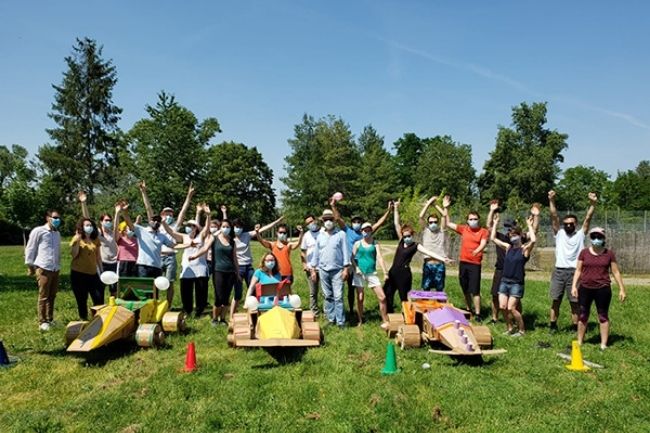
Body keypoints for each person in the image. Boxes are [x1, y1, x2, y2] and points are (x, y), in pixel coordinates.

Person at [384, 201, 452, 313]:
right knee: (388, 293)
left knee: (404, 297)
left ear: (412, 235)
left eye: (409, 236)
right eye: (405, 236)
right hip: (393, 272)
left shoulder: (416, 245)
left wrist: (443, 259)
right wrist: (396, 208)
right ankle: (389, 314)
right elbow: (396, 224)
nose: (406, 237)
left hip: (404, 274)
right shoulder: (401, 242)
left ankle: (406, 315)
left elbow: (429, 252)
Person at [331, 199, 391, 320]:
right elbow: (338, 219)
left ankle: (359, 313)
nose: (357, 223)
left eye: (359, 221)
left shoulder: (366, 232)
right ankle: (352, 310)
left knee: (360, 292)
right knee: (350, 289)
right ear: (352, 223)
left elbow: (379, 223)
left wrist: (388, 211)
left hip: (366, 266)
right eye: (355, 221)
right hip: (351, 264)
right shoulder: (348, 230)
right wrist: (333, 206)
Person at [548, 190, 597, 333]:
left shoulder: (581, 234)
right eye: (566, 223)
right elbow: (554, 215)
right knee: (555, 300)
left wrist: (592, 203)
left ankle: (575, 328)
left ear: (575, 224)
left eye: (571, 224)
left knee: (575, 302)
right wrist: (551, 200)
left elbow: (588, 218)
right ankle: (552, 326)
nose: (568, 226)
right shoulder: (559, 233)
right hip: (559, 271)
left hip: (575, 273)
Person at [571, 227, 626, 349]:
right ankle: (580, 341)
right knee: (583, 315)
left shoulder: (609, 254)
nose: (596, 239)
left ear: (603, 238)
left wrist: (622, 289)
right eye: (594, 236)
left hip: (603, 289)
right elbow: (578, 270)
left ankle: (603, 344)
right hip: (585, 288)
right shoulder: (584, 253)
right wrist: (574, 285)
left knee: (603, 315)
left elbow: (616, 272)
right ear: (590, 238)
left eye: (599, 237)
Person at [486, 200, 540, 323]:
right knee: (496, 295)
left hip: (516, 272)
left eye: (511, 227)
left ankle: (516, 319)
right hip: (501, 270)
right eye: (506, 227)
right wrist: (492, 211)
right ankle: (495, 318)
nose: (509, 230)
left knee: (515, 298)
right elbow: (489, 227)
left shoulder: (520, 239)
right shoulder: (502, 238)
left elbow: (534, 232)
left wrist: (536, 216)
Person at [146, 183, 194, 304]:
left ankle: (168, 305)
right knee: (155, 282)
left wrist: (189, 196)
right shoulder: (156, 226)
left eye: (170, 214)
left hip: (170, 258)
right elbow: (148, 209)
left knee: (169, 283)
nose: (168, 215)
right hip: (157, 257)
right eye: (166, 213)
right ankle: (154, 303)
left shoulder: (174, 227)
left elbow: (183, 211)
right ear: (161, 215)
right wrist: (144, 193)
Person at [443, 195, 489, 321]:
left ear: (479, 220)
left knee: (475, 290)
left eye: (475, 219)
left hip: (475, 264)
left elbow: (483, 243)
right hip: (464, 262)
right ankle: (468, 309)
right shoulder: (464, 229)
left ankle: (478, 313)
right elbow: (447, 223)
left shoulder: (483, 231)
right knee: (465, 288)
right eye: (471, 219)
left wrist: (477, 250)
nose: (473, 221)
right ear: (467, 221)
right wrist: (446, 208)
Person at [490, 213, 536, 336]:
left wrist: (529, 225)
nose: (512, 236)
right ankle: (510, 327)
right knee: (503, 306)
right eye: (511, 235)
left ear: (520, 236)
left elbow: (534, 240)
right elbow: (493, 238)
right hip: (504, 281)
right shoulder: (508, 247)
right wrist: (495, 224)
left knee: (511, 308)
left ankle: (521, 330)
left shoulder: (524, 250)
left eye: (515, 235)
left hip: (516, 283)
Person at [162, 204, 211, 317]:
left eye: (191, 225)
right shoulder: (184, 237)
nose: (189, 227)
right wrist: (164, 222)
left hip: (200, 269)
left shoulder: (201, 236)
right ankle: (187, 310)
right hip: (187, 269)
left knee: (201, 292)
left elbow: (207, 228)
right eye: (188, 225)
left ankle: (199, 311)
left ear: (196, 227)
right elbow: (171, 232)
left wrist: (208, 215)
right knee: (186, 292)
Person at [190, 218, 239, 325]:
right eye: (223, 227)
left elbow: (235, 258)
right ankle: (214, 319)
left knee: (226, 298)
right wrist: (195, 256)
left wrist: (238, 273)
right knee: (219, 297)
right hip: (218, 271)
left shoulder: (232, 241)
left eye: (228, 227)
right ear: (220, 228)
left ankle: (222, 319)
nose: (225, 229)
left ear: (230, 229)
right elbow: (205, 248)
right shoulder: (214, 238)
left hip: (230, 272)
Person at [123, 181, 176, 280]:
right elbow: (147, 209)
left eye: (157, 221)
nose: (155, 222)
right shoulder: (142, 230)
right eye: (153, 220)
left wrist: (189, 244)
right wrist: (125, 213)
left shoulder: (163, 235)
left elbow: (174, 245)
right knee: (144, 291)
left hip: (157, 266)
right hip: (143, 266)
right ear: (150, 221)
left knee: (155, 292)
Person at [309, 209, 350, 327]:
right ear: (322, 221)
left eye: (330, 219)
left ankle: (341, 321)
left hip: (337, 270)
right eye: (325, 219)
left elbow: (345, 252)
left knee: (338, 296)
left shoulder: (341, 234)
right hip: (323, 270)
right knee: (328, 296)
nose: (328, 222)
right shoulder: (320, 236)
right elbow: (316, 254)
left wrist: (346, 268)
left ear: (334, 221)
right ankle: (331, 319)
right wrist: (313, 269)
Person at [24, 210, 62, 331]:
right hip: (43, 268)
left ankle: (50, 319)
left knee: (52, 295)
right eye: (54, 217)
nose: (57, 220)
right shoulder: (39, 231)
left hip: (55, 268)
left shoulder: (57, 234)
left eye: (58, 218)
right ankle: (42, 321)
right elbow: (30, 248)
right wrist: (30, 265)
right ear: (48, 218)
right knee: (44, 295)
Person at [78, 191, 119, 296]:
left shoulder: (113, 232)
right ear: (101, 222)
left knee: (114, 290)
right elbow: (87, 220)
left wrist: (118, 213)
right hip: (103, 264)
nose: (108, 222)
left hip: (114, 264)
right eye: (106, 220)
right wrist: (84, 203)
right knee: (99, 289)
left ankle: (113, 309)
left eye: (110, 220)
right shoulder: (98, 233)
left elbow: (116, 224)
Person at [351, 223, 389, 327]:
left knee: (382, 297)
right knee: (360, 297)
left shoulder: (375, 244)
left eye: (368, 230)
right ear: (361, 231)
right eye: (364, 230)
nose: (366, 232)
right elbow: (352, 258)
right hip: (359, 273)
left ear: (371, 231)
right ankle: (360, 319)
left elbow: (380, 257)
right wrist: (357, 267)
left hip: (372, 273)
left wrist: (385, 272)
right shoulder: (357, 244)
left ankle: (385, 320)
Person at [69, 217, 104, 320]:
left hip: (93, 273)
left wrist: (101, 271)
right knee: (82, 299)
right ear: (82, 227)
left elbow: (98, 257)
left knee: (98, 298)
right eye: (86, 225)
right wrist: (77, 240)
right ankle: (83, 320)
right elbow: (74, 255)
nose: (89, 227)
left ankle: (98, 319)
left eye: (90, 225)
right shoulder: (76, 239)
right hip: (78, 274)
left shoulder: (95, 239)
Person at [418, 195, 449, 292]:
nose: (433, 224)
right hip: (428, 264)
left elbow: (444, 215)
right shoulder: (425, 230)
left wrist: (435, 205)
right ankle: (426, 307)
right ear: (428, 223)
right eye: (431, 222)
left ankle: (440, 307)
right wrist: (428, 204)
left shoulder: (441, 230)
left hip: (440, 265)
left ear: (438, 222)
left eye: (435, 222)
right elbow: (421, 216)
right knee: (426, 288)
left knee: (439, 289)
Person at [301, 214, 322, 316]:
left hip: (324, 267)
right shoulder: (306, 235)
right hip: (311, 268)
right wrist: (304, 264)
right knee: (313, 292)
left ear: (315, 220)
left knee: (326, 292)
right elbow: (302, 251)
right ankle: (314, 312)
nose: (310, 224)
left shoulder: (323, 232)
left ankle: (328, 312)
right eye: (308, 223)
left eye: (311, 221)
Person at [115, 202, 138, 278]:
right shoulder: (120, 238)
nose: (129, 229)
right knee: (122, 285)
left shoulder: (136, 238)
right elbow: (115, 228)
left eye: (129, 227)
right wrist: (117, 213)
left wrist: (125, 212)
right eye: (126, 228)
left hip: (135, 262)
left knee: (134, 285)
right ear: (123, 230)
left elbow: (131, 222)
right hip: (123, 262)